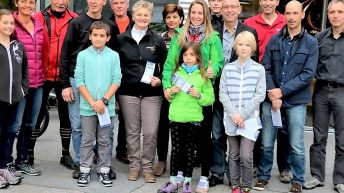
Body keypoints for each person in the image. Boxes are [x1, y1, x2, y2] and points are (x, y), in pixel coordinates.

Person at [253, 1, 318, 193]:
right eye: (288, 13)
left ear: (301, 15)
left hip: (295, 101)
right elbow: (265, 67)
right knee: (266, 142)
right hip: (271, 99)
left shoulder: (311, 43)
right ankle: (263, 177)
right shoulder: (275, 39)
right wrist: (273, 93)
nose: (290, 17)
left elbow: (308, 74)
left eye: (294, 13)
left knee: (296, 143)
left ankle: (297, 180)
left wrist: (282, 91)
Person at [163, 0, 223, 192]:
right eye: (194, 12)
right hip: (180, 95)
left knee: (204, 138)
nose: (197, 16)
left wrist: (215, 69)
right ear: (189, 14)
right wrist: (166, 87)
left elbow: (218, 61)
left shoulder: (213, 37)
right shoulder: (179, 35)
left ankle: (204, 176)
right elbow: (169, 64)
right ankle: (180, 174)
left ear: (206, 15)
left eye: (200, 13)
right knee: (181, 139)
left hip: (200, 93)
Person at [60, 0, 119, 179]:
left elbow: (115, 56)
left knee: (105, 129)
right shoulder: (76, 22)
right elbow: (65, 53)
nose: (94, 1)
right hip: (79, 81)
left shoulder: (109, 25)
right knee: (79, 126)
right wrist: (65, 84)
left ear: (104, 2)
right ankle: (81, 163)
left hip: (104, 86)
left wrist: (109, 96)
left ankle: (104, 164)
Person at [209, 0, 259, 187]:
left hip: (241, 94)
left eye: (233, 7)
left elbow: (255, 62)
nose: (229, 10)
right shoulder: (213, 30)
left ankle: (234, 175)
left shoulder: (248, 32)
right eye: (226, 7)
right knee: (217, 134)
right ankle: (216, 171)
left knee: (238, 137)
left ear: (239, 9)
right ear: (220, 10)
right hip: (217, 92)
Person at [117, 0, 167, 183]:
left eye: (146, 15)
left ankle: (147, 167)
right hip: (127, 92)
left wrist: (160, 80)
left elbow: (167, 66)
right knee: (131, 132)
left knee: (151, 132)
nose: (143, 18)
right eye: (139, 14)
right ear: (133, 16)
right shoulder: (121, 39)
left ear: (150, 17)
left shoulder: (157, 40)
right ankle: (134, 166)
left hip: (152, 95)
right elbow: (116, 67)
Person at [158, 42, 215, 193]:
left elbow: (210, 98)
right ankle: (173, 181)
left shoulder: (203, 76)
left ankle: (187, 184)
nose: (188, 58)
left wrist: (199, 95)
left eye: (191, 55)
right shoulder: (176, 73)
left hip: (193, 119)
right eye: (185, 55)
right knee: (176, 150)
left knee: (189, 151)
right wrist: (171, 91)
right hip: (176, 117)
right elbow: (169, 97)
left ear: (198, 57)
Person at [244, 0, 290, 182]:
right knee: (259, 126)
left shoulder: (286, 21)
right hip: (257, 81)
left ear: (277, 1)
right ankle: (256, 164)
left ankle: (285, 167)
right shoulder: (249, 23)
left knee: (284, 129)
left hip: (283, 81)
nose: (268, 2)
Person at [29, 0, 78, 171]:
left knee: (66, 116)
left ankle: (65, 154)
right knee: (37, 114)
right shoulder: (37, 17)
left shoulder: (75, 19)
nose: (60, 2)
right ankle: (29, 153)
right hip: (41, 75)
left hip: (64, 77)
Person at [74, 21, 121, 187]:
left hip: (106, 108)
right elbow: (79, 80)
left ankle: (104, 170)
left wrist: (104, 101)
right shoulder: (83, 55)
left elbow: (117, 79)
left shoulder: (113, 56)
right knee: (87, 139)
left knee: (104, 140)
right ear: (90, 36)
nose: (98, 38)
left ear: (108, 38)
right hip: (88, 107)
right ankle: (85, 170)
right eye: (95, 35)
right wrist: (93, 102)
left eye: (102, 35)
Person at [303, 0, 344, 192]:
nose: (335, 15)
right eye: (332, 12)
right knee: (319, 137)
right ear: (328, 14)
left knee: (342, 139)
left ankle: (340, 180)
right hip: (320, 90)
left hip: (343, 91)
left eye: (340, 12)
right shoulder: (320, 37)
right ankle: (317, 176)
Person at [219, 31, 266, 193]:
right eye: (240, 44)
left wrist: (243, 115)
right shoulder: (228, 69)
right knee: (233, 154)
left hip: (249, 120)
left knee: (246, 155)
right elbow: (223, 94)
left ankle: (246, 184)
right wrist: (234, 114)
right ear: (235, 47)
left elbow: (259, 95)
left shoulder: (258, 70)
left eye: (247, 45)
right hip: (231, 118)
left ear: (252, 48)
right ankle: (235, 183)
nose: (243, 48)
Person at [10, 0, 49, 176]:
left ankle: (22, 161)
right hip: (17, 85)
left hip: (37, 83)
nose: (28, 5)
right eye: (24, 1)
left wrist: (43, 74)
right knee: (14, 125)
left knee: (31, 124)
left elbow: (45, 53)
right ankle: (6, 162)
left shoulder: (40, 25)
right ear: (17, 3)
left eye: (31, 2)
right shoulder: (10, 23)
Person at [154, 3, 184, 177]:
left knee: (181, 126)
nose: (172, 20)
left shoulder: (186, 37)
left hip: (183, 88)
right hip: (165, 87)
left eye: (175, 17)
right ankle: (162, 160)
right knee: (163, 125)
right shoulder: (160, 38)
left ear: (181, 19)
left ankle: (180, 161)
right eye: (168, 17)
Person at [0, 9, 27, 188]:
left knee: (9, 134)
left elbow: (24, 71)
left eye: (11, 23)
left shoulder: (18, 46)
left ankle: (3, 168)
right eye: (5, 22)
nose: (9, 26)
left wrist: (23, 90)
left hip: (14, 99)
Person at [109, 0, 132, 165]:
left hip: (129, 75)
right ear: (111, 5)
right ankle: (101, 150)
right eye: (115, 2)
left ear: (128, 4)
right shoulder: (106, 23)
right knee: (106, 115)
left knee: (126, 117)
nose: (119, 5)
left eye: (122, 2)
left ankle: (122, 150)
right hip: (109, 74)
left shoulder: (135, 21)